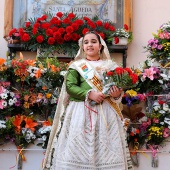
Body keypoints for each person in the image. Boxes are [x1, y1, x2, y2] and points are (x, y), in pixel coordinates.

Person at [43, 31, 133, 170]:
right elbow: (70, 87)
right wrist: (89, 94)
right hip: (81, 112)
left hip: (106, 114)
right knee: (78, 147)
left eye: (93, 41)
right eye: (86, 42)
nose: (90, 44)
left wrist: (116, 95)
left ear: (100, 46)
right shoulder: (77, 66)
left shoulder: (111, 67)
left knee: (106, 147)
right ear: (83, 47)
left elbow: (117, 89)